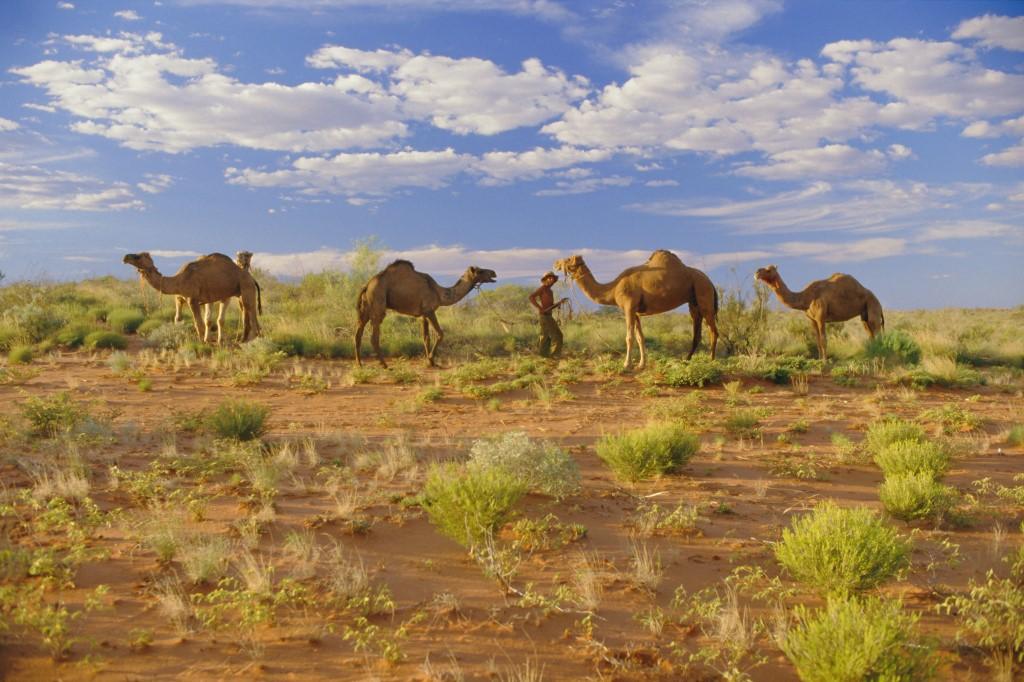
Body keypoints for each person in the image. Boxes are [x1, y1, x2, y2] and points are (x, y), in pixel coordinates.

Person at [529, 271, 568, 358]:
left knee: (545, 336)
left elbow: (551, 306)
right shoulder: (543, 288)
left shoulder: (550, 291)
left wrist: (559, 303)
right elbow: (531, 297)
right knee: (558, 335)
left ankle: (544, 355)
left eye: (552, 278)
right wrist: (540, 308)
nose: (551, 279)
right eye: (549, 278)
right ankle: (554, 355)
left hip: (548, 315)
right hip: (544, 316)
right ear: (545, 280)